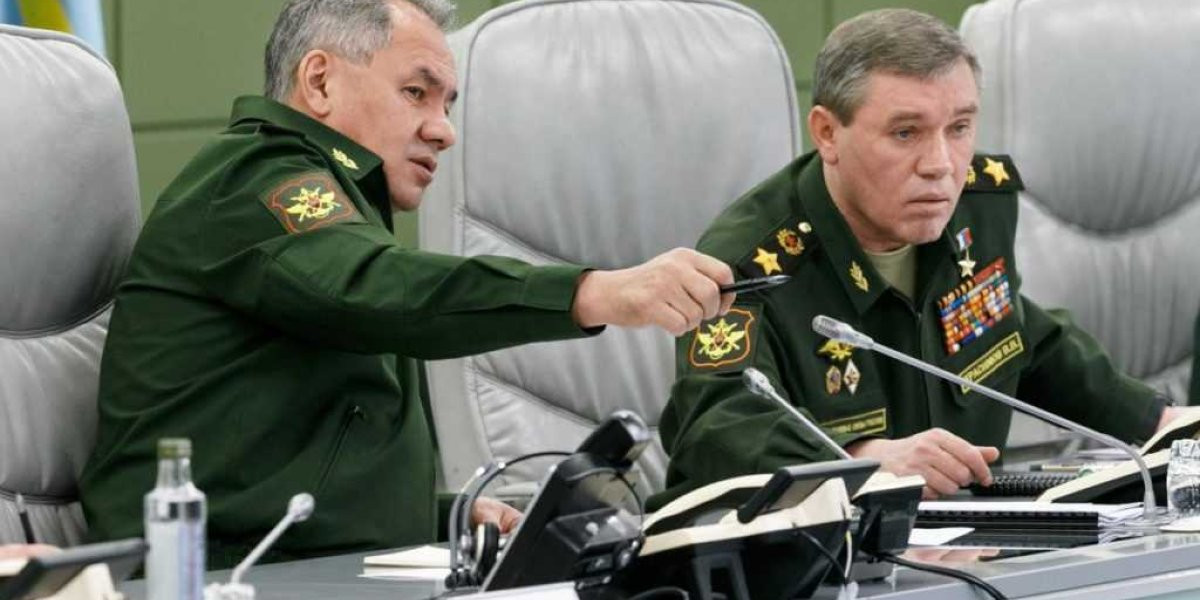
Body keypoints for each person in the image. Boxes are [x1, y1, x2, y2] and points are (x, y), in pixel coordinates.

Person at [79, 0, 734, 568]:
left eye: (448, 104)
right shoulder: (254, 180)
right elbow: (377, 289)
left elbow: (303, 476)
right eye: (417, 92)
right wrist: (595, 292)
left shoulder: (342, 216)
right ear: (319, 81)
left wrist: (448, 515)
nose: (444, 130)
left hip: (306, 566)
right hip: (211, 574)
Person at [653, 8, 1193, 506]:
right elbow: (716, 423)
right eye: (905, 132)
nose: (940, 164)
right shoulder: (750, 260)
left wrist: (1159, 421)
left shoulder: (976, 205)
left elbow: (1015, 333)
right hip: (813, 549)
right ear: (827, 133)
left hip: (974, 537)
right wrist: (857, 462)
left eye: (959, 128)